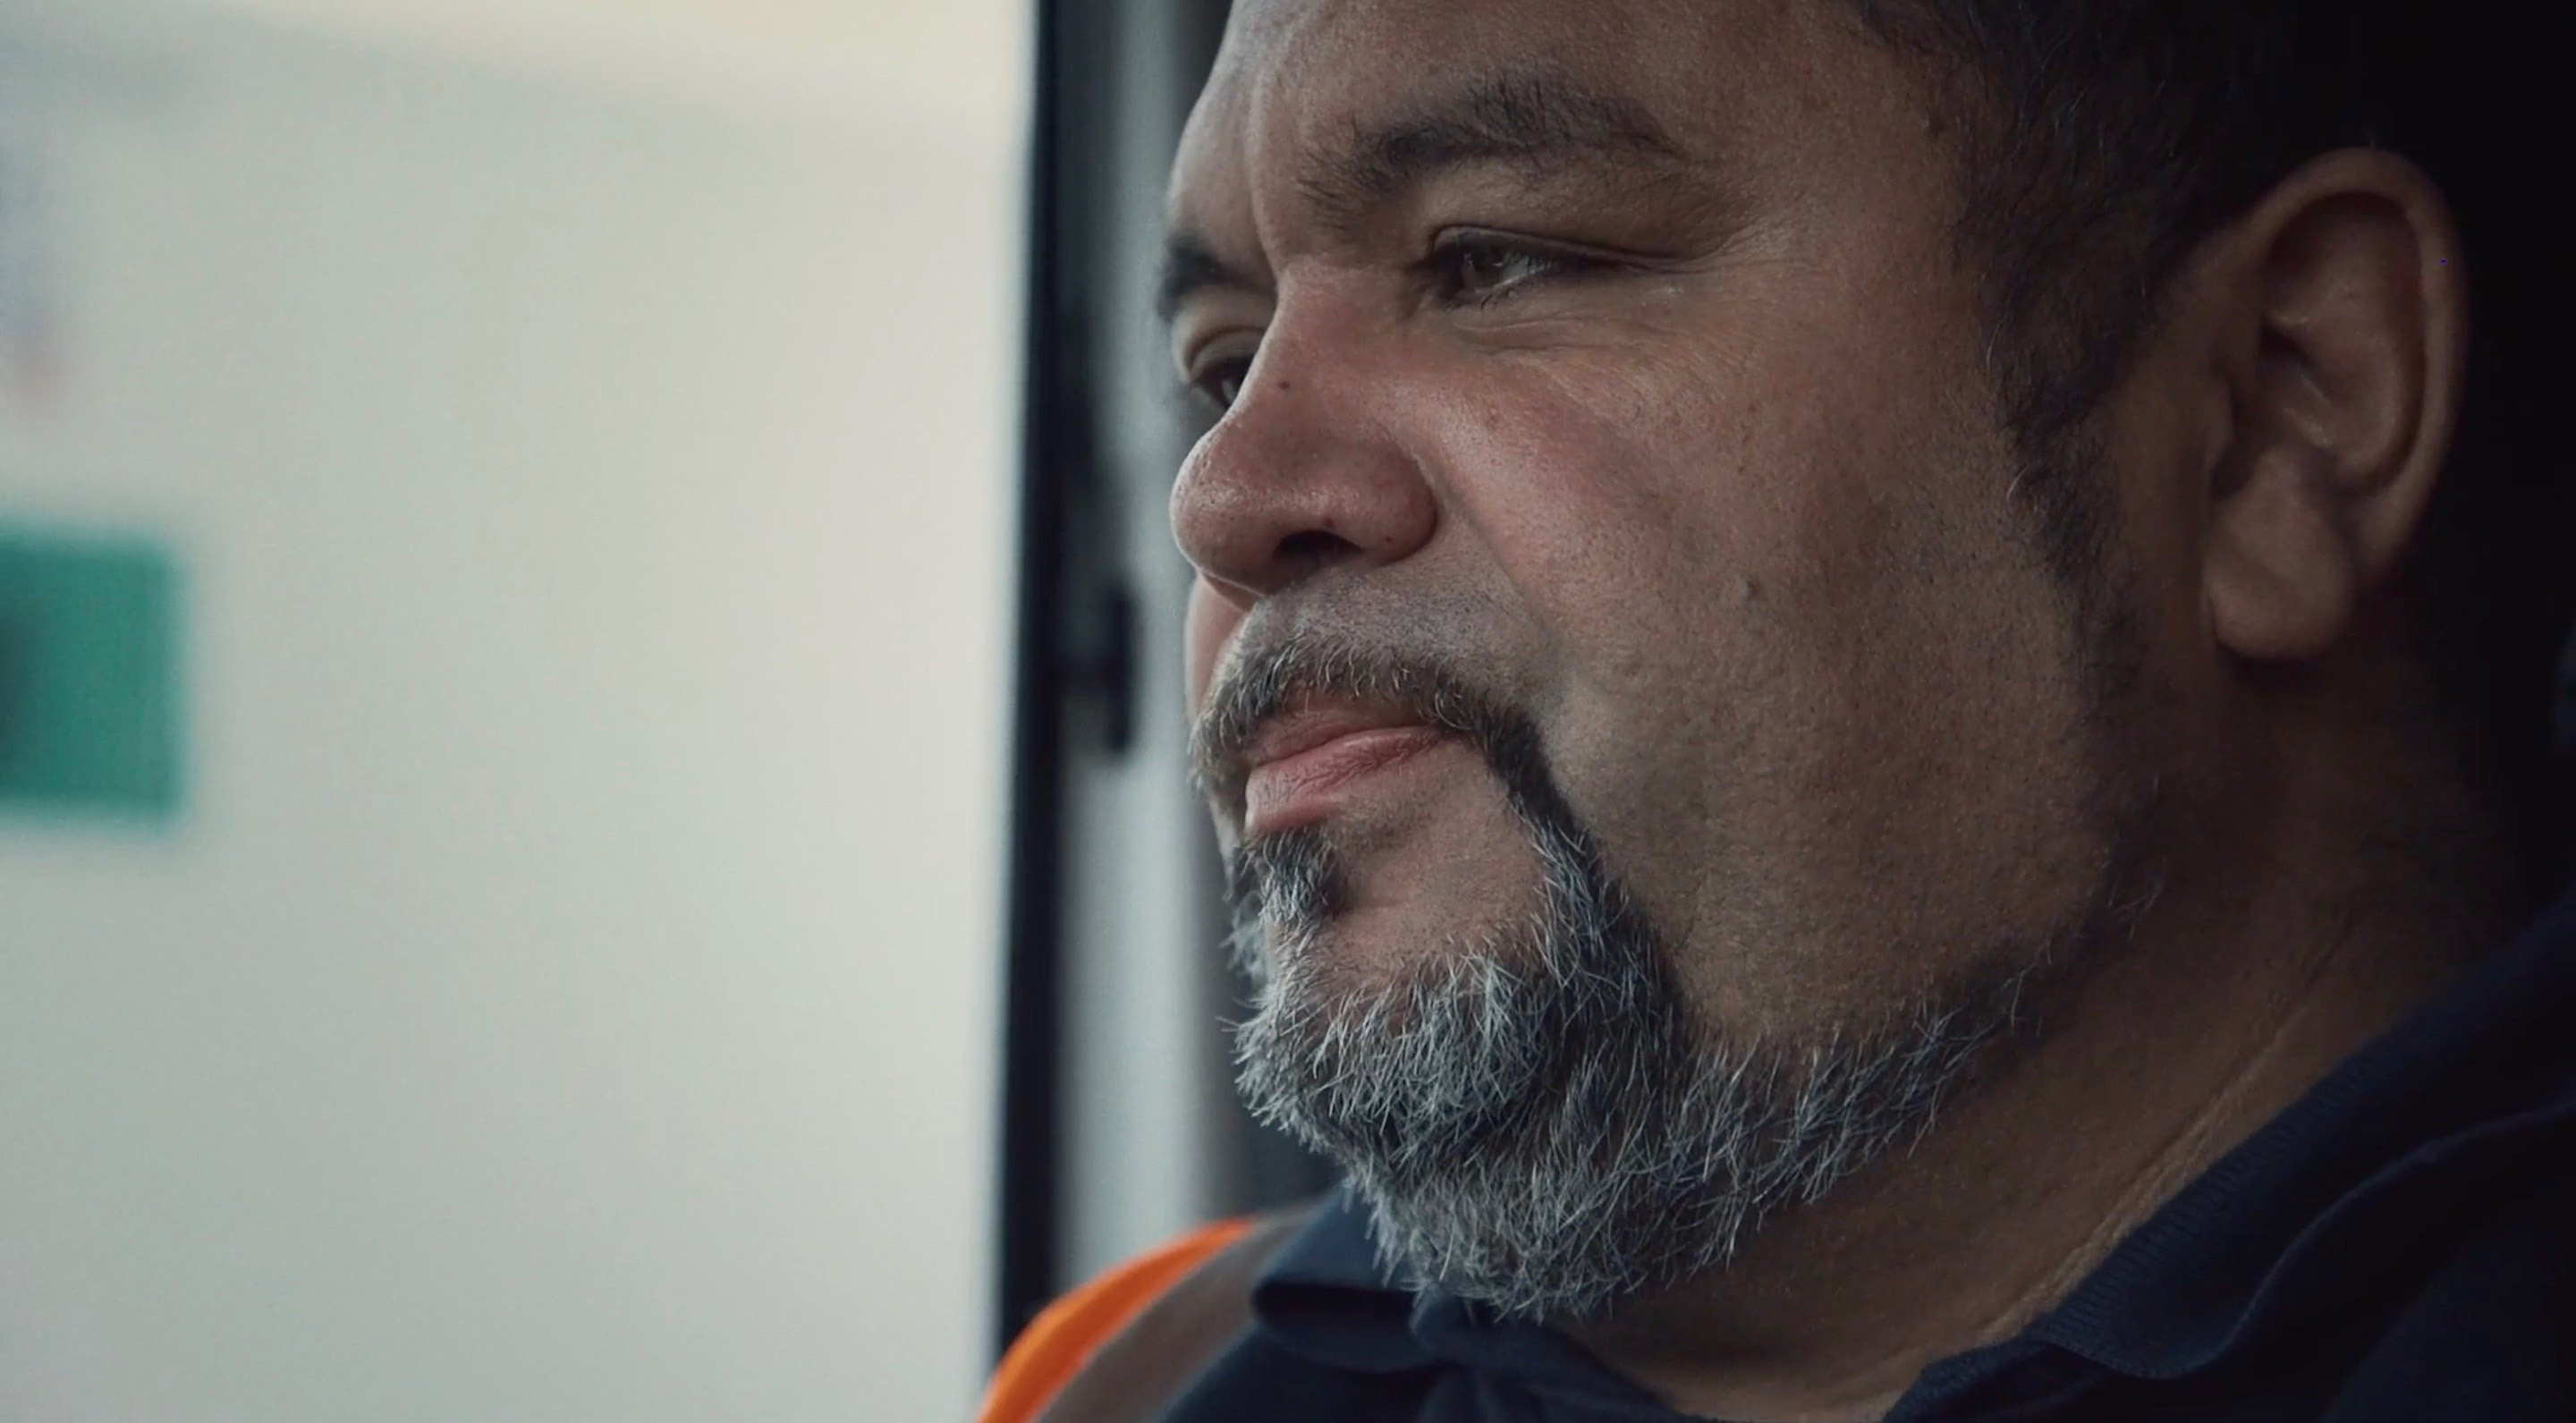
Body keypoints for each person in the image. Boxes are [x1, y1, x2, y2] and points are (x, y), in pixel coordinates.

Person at [983, 0, 2573, 1419]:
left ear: (2279, 413)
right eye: (1223, 364)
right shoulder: (1125, 1378)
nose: (1222, 498)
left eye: (1497, 261)